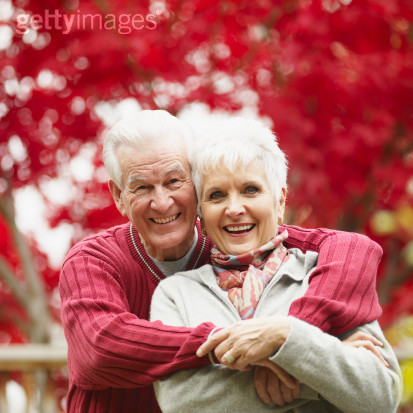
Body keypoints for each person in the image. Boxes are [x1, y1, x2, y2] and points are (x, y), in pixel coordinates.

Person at [60, 110, 384, 413]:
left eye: (174, 181)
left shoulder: (232, 243)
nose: (161, 202)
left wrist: (292, 335)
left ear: (196, 186)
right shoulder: (93, 261)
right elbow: (99, 350)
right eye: (142, 187)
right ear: (118, 196)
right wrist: (242, 345)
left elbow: (351, 248)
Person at [150, 115, 402, 412]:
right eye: (217, 195)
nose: (234, 208)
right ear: (201, 214)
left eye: (250, 190)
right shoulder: (176, 294)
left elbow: (380, 394)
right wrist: (307, 375)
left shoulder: (326, 273)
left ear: (280, 200)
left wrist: (287, 335)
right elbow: (180, 402)